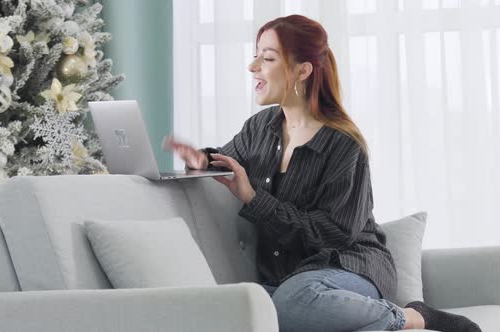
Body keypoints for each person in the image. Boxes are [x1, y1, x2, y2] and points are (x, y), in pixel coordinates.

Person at [164, 14, 481, 332]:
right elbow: (226, 159)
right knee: (240, 303)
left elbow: (335, 234)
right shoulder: (259, 127)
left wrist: (253, 197)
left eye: (268, 57)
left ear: (302, 70)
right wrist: (201, 159)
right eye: (255, 55)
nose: (253, 66)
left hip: (349, 266)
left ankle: (414, 316)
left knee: (291, 302)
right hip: (289, 278)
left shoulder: (344, 144)